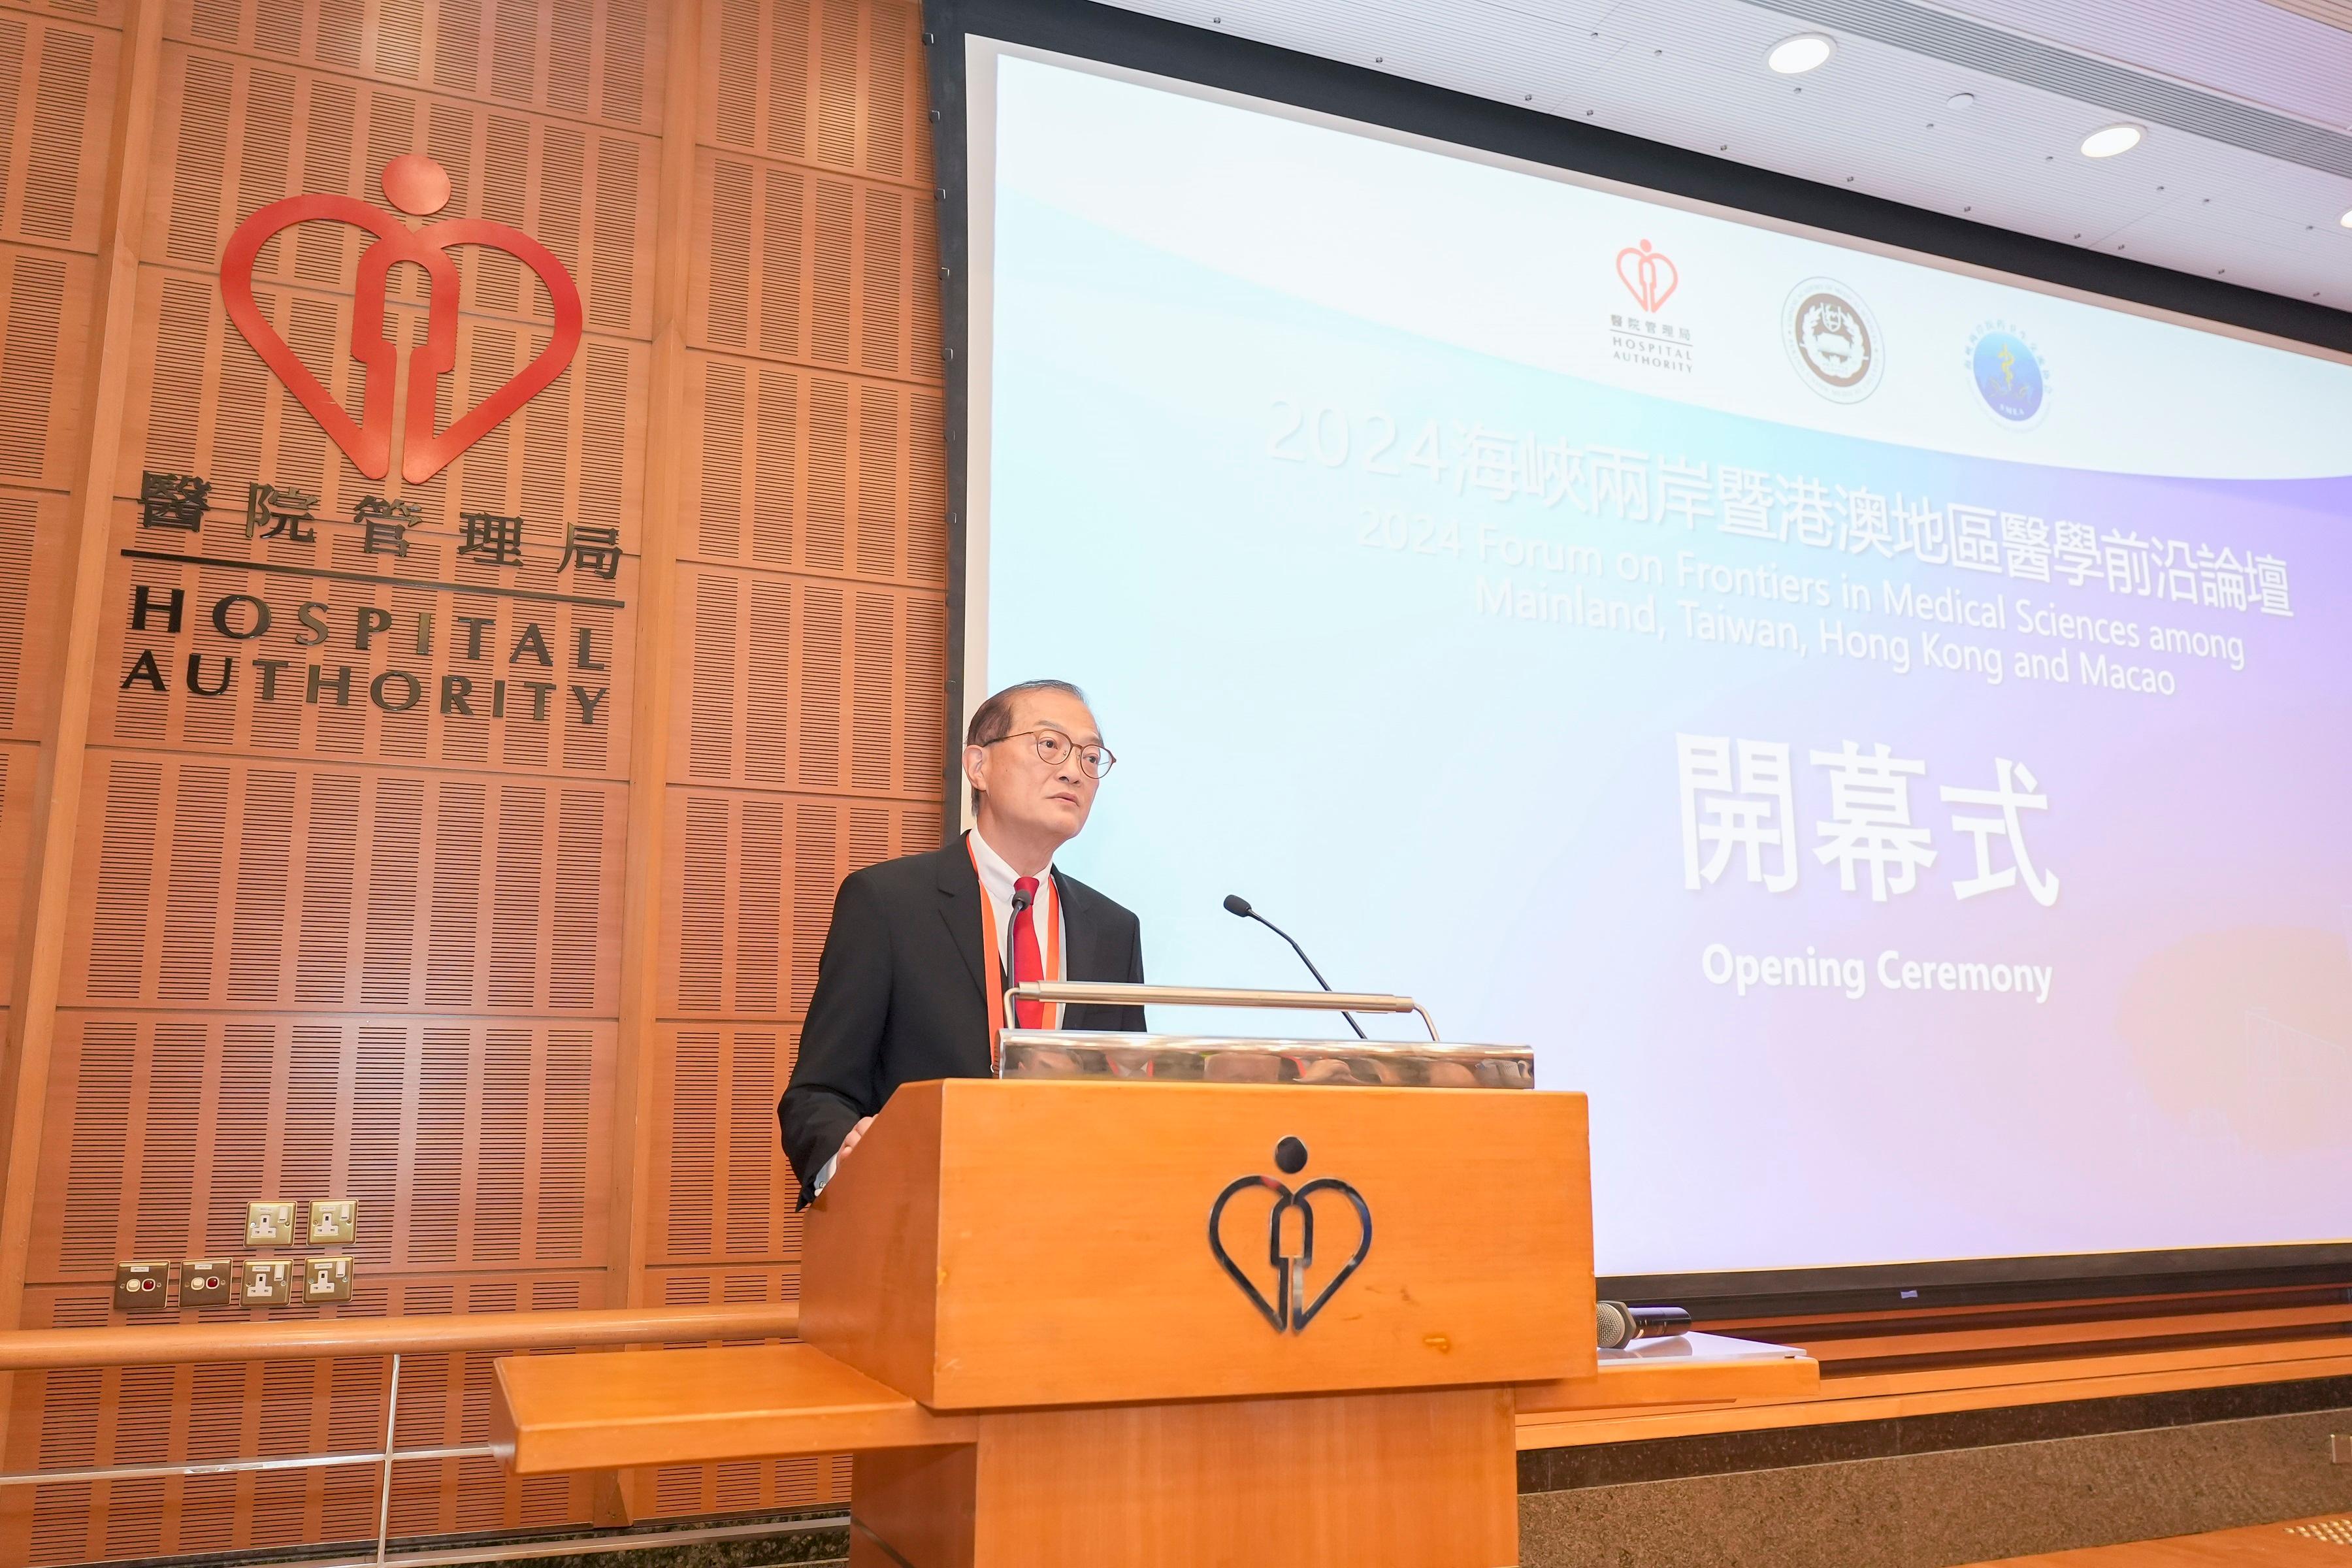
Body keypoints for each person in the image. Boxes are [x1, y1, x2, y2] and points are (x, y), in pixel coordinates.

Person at [778, 679, 1146, 1203]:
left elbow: (1127, 1100)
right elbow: (819, 1094)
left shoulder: (1113, 929)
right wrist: (850, 1153)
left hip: (1068, 1223)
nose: (1073, 770)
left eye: (1091, 757)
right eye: (1050, 745)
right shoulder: (888, 903)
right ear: (979, 766)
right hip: (919, 1218)